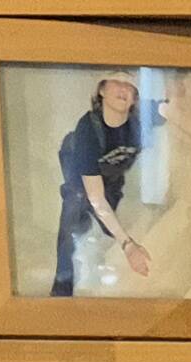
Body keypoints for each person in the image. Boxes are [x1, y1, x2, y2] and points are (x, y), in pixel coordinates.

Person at [52, 73, 149, 295]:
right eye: (116, 82)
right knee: (74, 211)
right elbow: (95, 196)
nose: (123, 89)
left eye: (129, 85)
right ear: (102, 91)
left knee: (107, 222)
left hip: (110, 174)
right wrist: (128, 245)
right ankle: (62, 284)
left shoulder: (141, 122)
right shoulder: (88, 130)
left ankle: (95, 222)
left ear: (135, 98)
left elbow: (169, 108)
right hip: (80, 174)